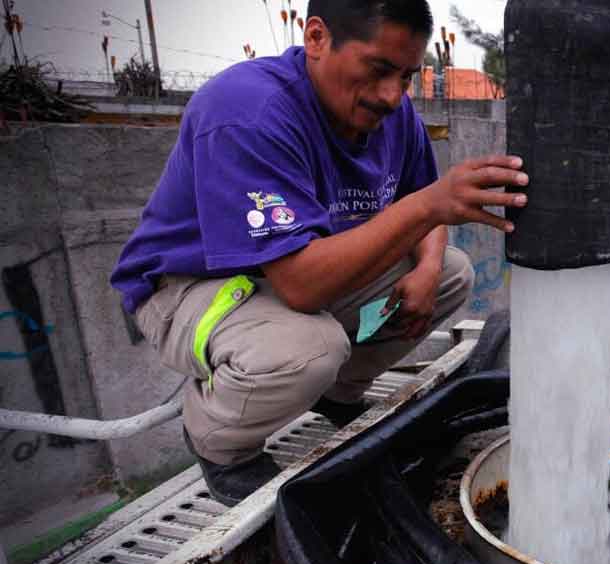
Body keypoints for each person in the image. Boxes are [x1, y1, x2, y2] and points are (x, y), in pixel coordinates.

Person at [109, 0, 527, 506]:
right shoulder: (248, 111)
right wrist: (427, 208)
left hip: (285, 274)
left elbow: (421, 198)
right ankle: (218, 440)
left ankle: (339, 392)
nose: (392, 95)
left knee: (448, 273)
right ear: (315, 38)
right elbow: (303, 287)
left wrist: (430, 263)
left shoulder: (392, 116)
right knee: (310, 347)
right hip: (188, 286)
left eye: (406, 76)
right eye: (378, 69)